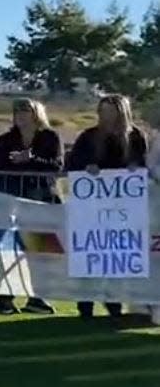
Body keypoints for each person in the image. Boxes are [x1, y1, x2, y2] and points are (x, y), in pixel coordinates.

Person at [68, 94, 148, 319]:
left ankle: (113, 303)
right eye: (102, 111)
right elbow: (72, 162)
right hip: (92, 206)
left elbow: (142, 163)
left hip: (123, 208)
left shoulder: (135, 136)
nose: (106, 115)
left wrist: (134, 167)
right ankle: (85, 304)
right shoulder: (88, 136)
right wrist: (87, 166)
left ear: (122, 112)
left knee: (114, 256)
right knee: (90, 253)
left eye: (111, 111)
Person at [0, 98, 62, 316]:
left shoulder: (49, 137)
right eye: (17, 111)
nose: (20, 114)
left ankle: (37, 297)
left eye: (26, 110)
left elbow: (57, 165)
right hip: (11, 200)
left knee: (39, 250)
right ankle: (5, 298)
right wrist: (15, 161)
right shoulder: (6, 139)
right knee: (10, 248)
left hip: (41, 200)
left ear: (36, 113)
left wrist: (30, 159)